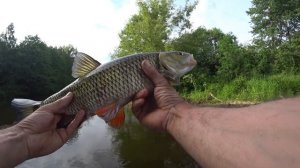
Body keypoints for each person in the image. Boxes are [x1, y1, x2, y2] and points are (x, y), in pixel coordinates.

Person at [1, 60, 300, 168]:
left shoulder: (157, 73)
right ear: (157, 62)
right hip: (85, 96)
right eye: (180, 55)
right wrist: (23, 134)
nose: (186, 59)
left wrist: (22, 137)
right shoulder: (148, 62)